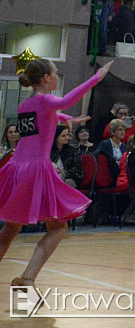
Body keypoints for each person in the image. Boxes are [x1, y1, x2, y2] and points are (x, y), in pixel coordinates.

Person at [0, 59, 111, 288]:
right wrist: (96, 78)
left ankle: (27, 280)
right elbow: (65, 101)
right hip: (36, 169)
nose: (58, 77)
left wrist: (66, 118)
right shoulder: (47, 100)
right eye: (56, 73)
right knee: (59, 227)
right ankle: (28, 278)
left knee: (10, 228)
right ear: (46, 79)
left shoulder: (26, 104)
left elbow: (40, 121)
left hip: (16, 168)